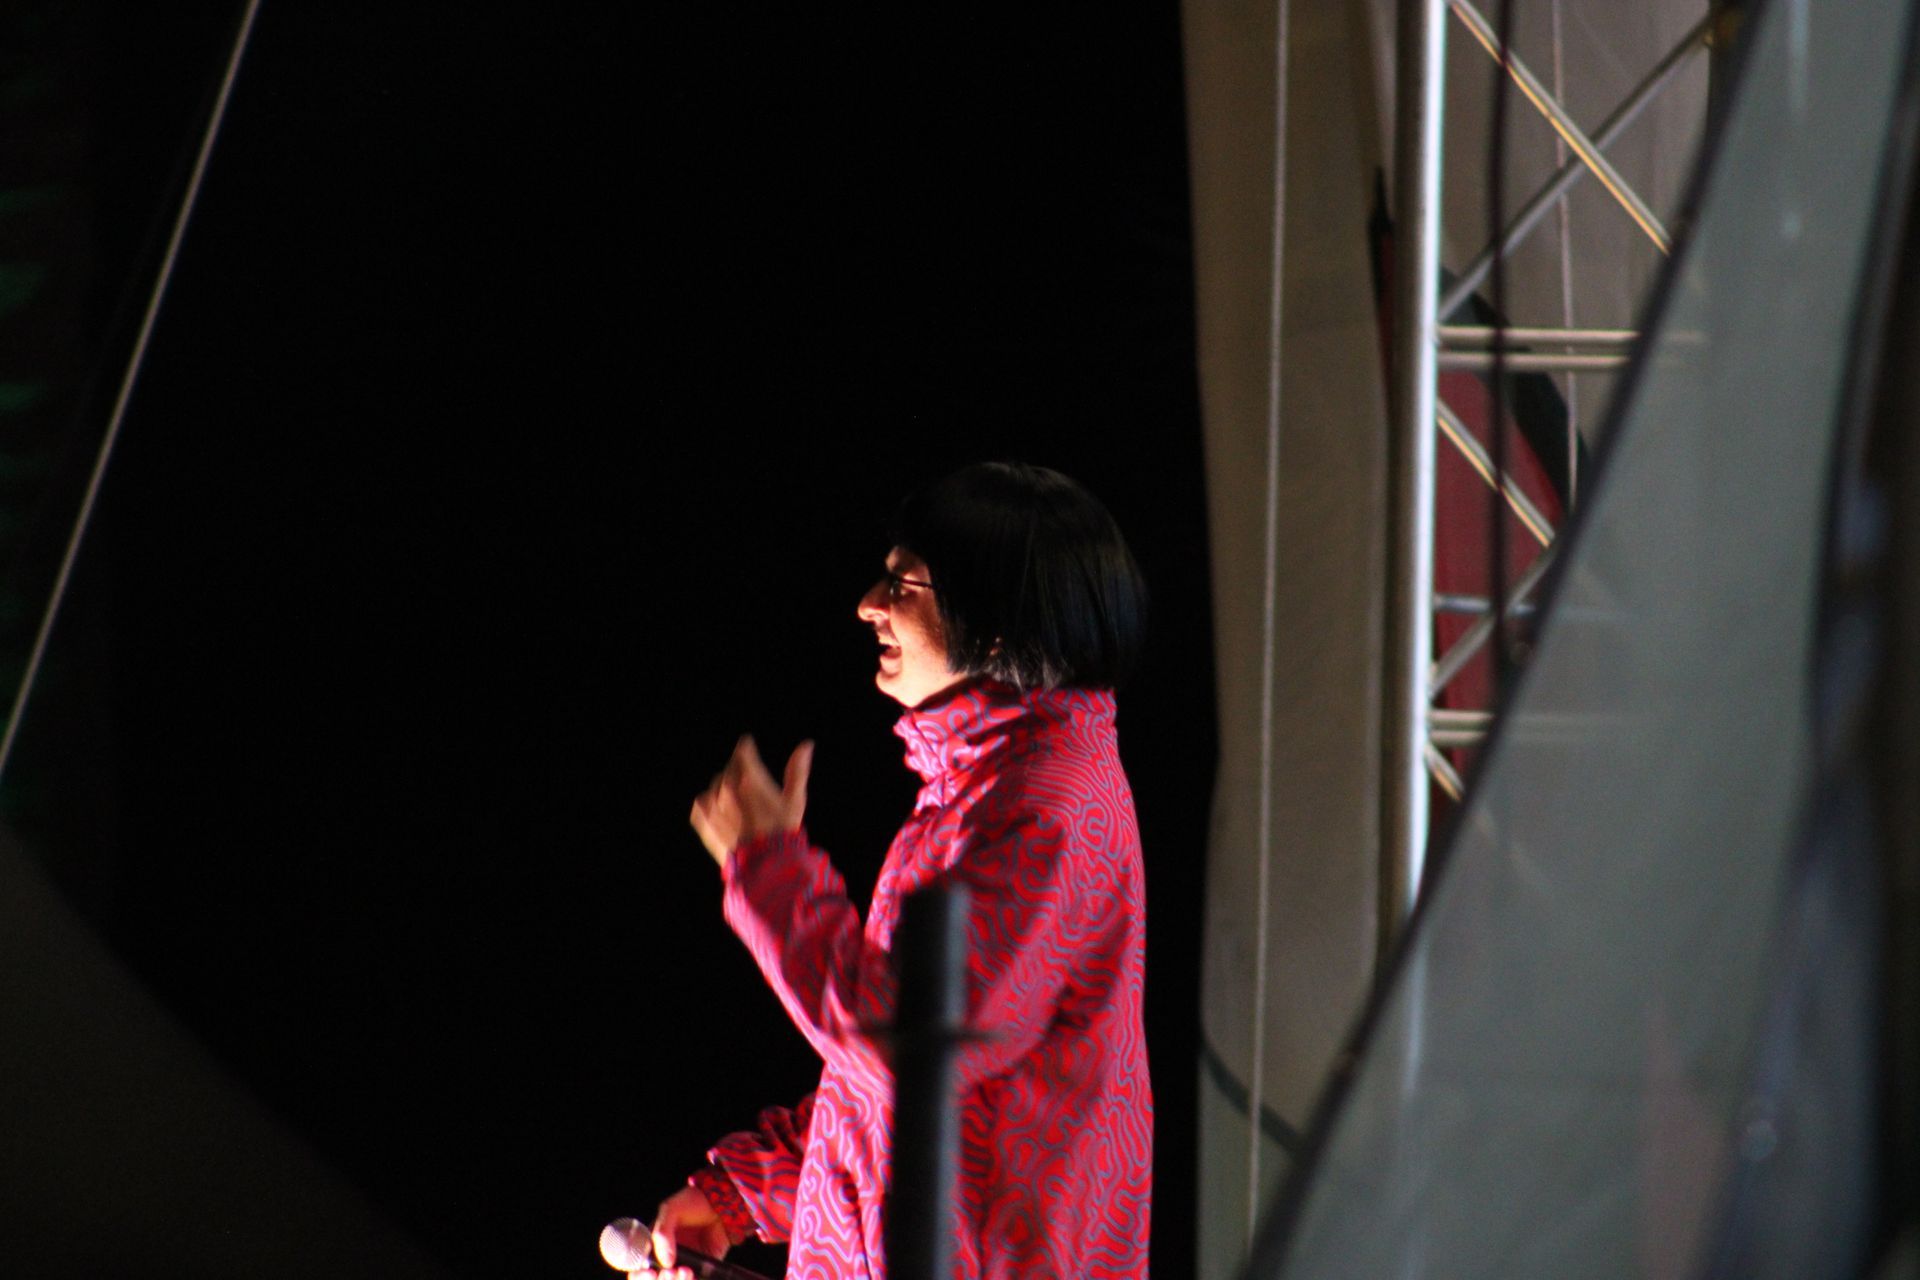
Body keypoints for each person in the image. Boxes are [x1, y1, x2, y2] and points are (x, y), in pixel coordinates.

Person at [643, 462, 1152, 1280]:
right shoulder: (991, 784)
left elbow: (912, 1058)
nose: (868, 606)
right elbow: (911, 1097)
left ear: (997, 619)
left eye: (901, 584)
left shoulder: (1046, 809)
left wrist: (769, 868)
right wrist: (745, 1192)